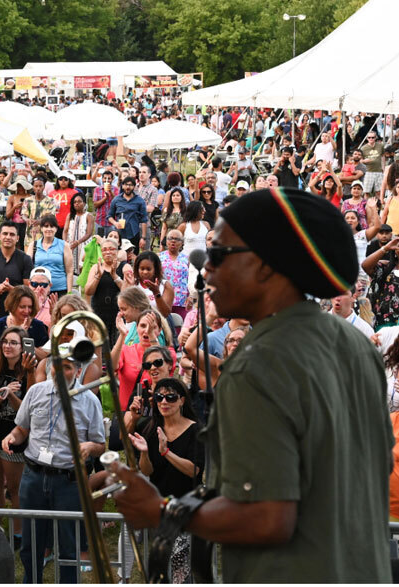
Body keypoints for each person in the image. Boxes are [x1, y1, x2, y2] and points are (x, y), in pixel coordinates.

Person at [105, 187, 391, 583]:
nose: (206, 269)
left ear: (265, 266)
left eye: (219, 254)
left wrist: (159, 511)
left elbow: (266, 519)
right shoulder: (356, 346)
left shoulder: (254, 368)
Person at [2, 352, 105, 584]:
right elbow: (22, 429)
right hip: (34, 477)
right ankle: (32, 581)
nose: (59, 373)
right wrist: (11, 437)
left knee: (69, 544)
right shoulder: (36, 392)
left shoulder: (90, 401)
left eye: (66, 367)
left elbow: (101, 445)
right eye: (55, 367)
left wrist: (90, 446)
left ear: (78, 371)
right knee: (31, 544)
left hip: (68, 481)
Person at [128, 377, 203, 583]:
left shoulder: (196, 430)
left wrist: (166, 452)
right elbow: (148, 470)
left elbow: (194, 470)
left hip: (185, 510)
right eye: (159, 397)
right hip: (159, 508)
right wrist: (144, 453)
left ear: (181, 401)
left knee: (180, 570)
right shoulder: (151, 428)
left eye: (170, 397)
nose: (164, 402)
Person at [0, 325, 37, 543]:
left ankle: (18, 533)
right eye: (5, 341)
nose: (7, 346)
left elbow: (28, 409)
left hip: (15, 436)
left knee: (14, 488)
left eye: (14, 343)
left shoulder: (29, 371)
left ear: (23, 347)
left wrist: (10, 395)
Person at [108, 176, 148, 250]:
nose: (128, 187)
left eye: (130, 185)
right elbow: (110, 216)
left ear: (134, 187)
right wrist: (115, 223)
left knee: (133, 257)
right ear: (122, 186)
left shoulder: (140, 201)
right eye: (126, 184)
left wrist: (143, 237)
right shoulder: (116, 200)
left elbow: (144, 220)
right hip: (119, 234)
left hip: (134, 233)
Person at [158, 230, 190, 320]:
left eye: (177, 239)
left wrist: (190, 296)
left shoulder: (187, 259)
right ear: (166, 241)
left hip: (182, 301)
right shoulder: (159, 257)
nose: (173, 241)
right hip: (163, 298)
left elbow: (190, 279)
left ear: (182, 243)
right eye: (170, 238)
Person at [133, 251, 175, 317]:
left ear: (155, 269)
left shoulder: (165, 285)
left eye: (148, 269)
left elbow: (165, 313)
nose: (145, 272)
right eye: (142, 269)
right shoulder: (133, 283)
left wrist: (156, 293)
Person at [21, 175, 57, 249]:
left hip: (45, 235)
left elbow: (51, 216)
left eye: (40, 186)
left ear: (44, 187)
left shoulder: (50, 201)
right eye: (36, 186)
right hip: (30, 235)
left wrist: (41, 221)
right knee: (29, 257)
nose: (38, 188)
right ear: (33, 187)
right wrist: (27, 219)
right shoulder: (28, 200)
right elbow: (23, 214)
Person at [65, 193, 94, 277]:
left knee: (82, 264)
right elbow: (65, 230)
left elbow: (89, 233)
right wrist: (65, 242)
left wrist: (78, 242)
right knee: (70, 264)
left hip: (84, 243)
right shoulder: (70, 215)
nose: (76, 203)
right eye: (75, 202)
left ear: (84, 203)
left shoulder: (89, 216)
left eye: (79, 201)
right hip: (71, 243)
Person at [93, 170, 116, 236]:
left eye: (109, 178)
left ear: (112, 179)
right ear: (102, 179)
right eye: (105, 178)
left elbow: (118, 203)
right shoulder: (97, 189)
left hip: (112, 222)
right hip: (100, 221)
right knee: (99, 242)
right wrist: (105, 198)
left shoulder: (116, 189)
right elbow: (95, 205)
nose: (107, 180)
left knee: (111, 242)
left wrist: (110, 192)